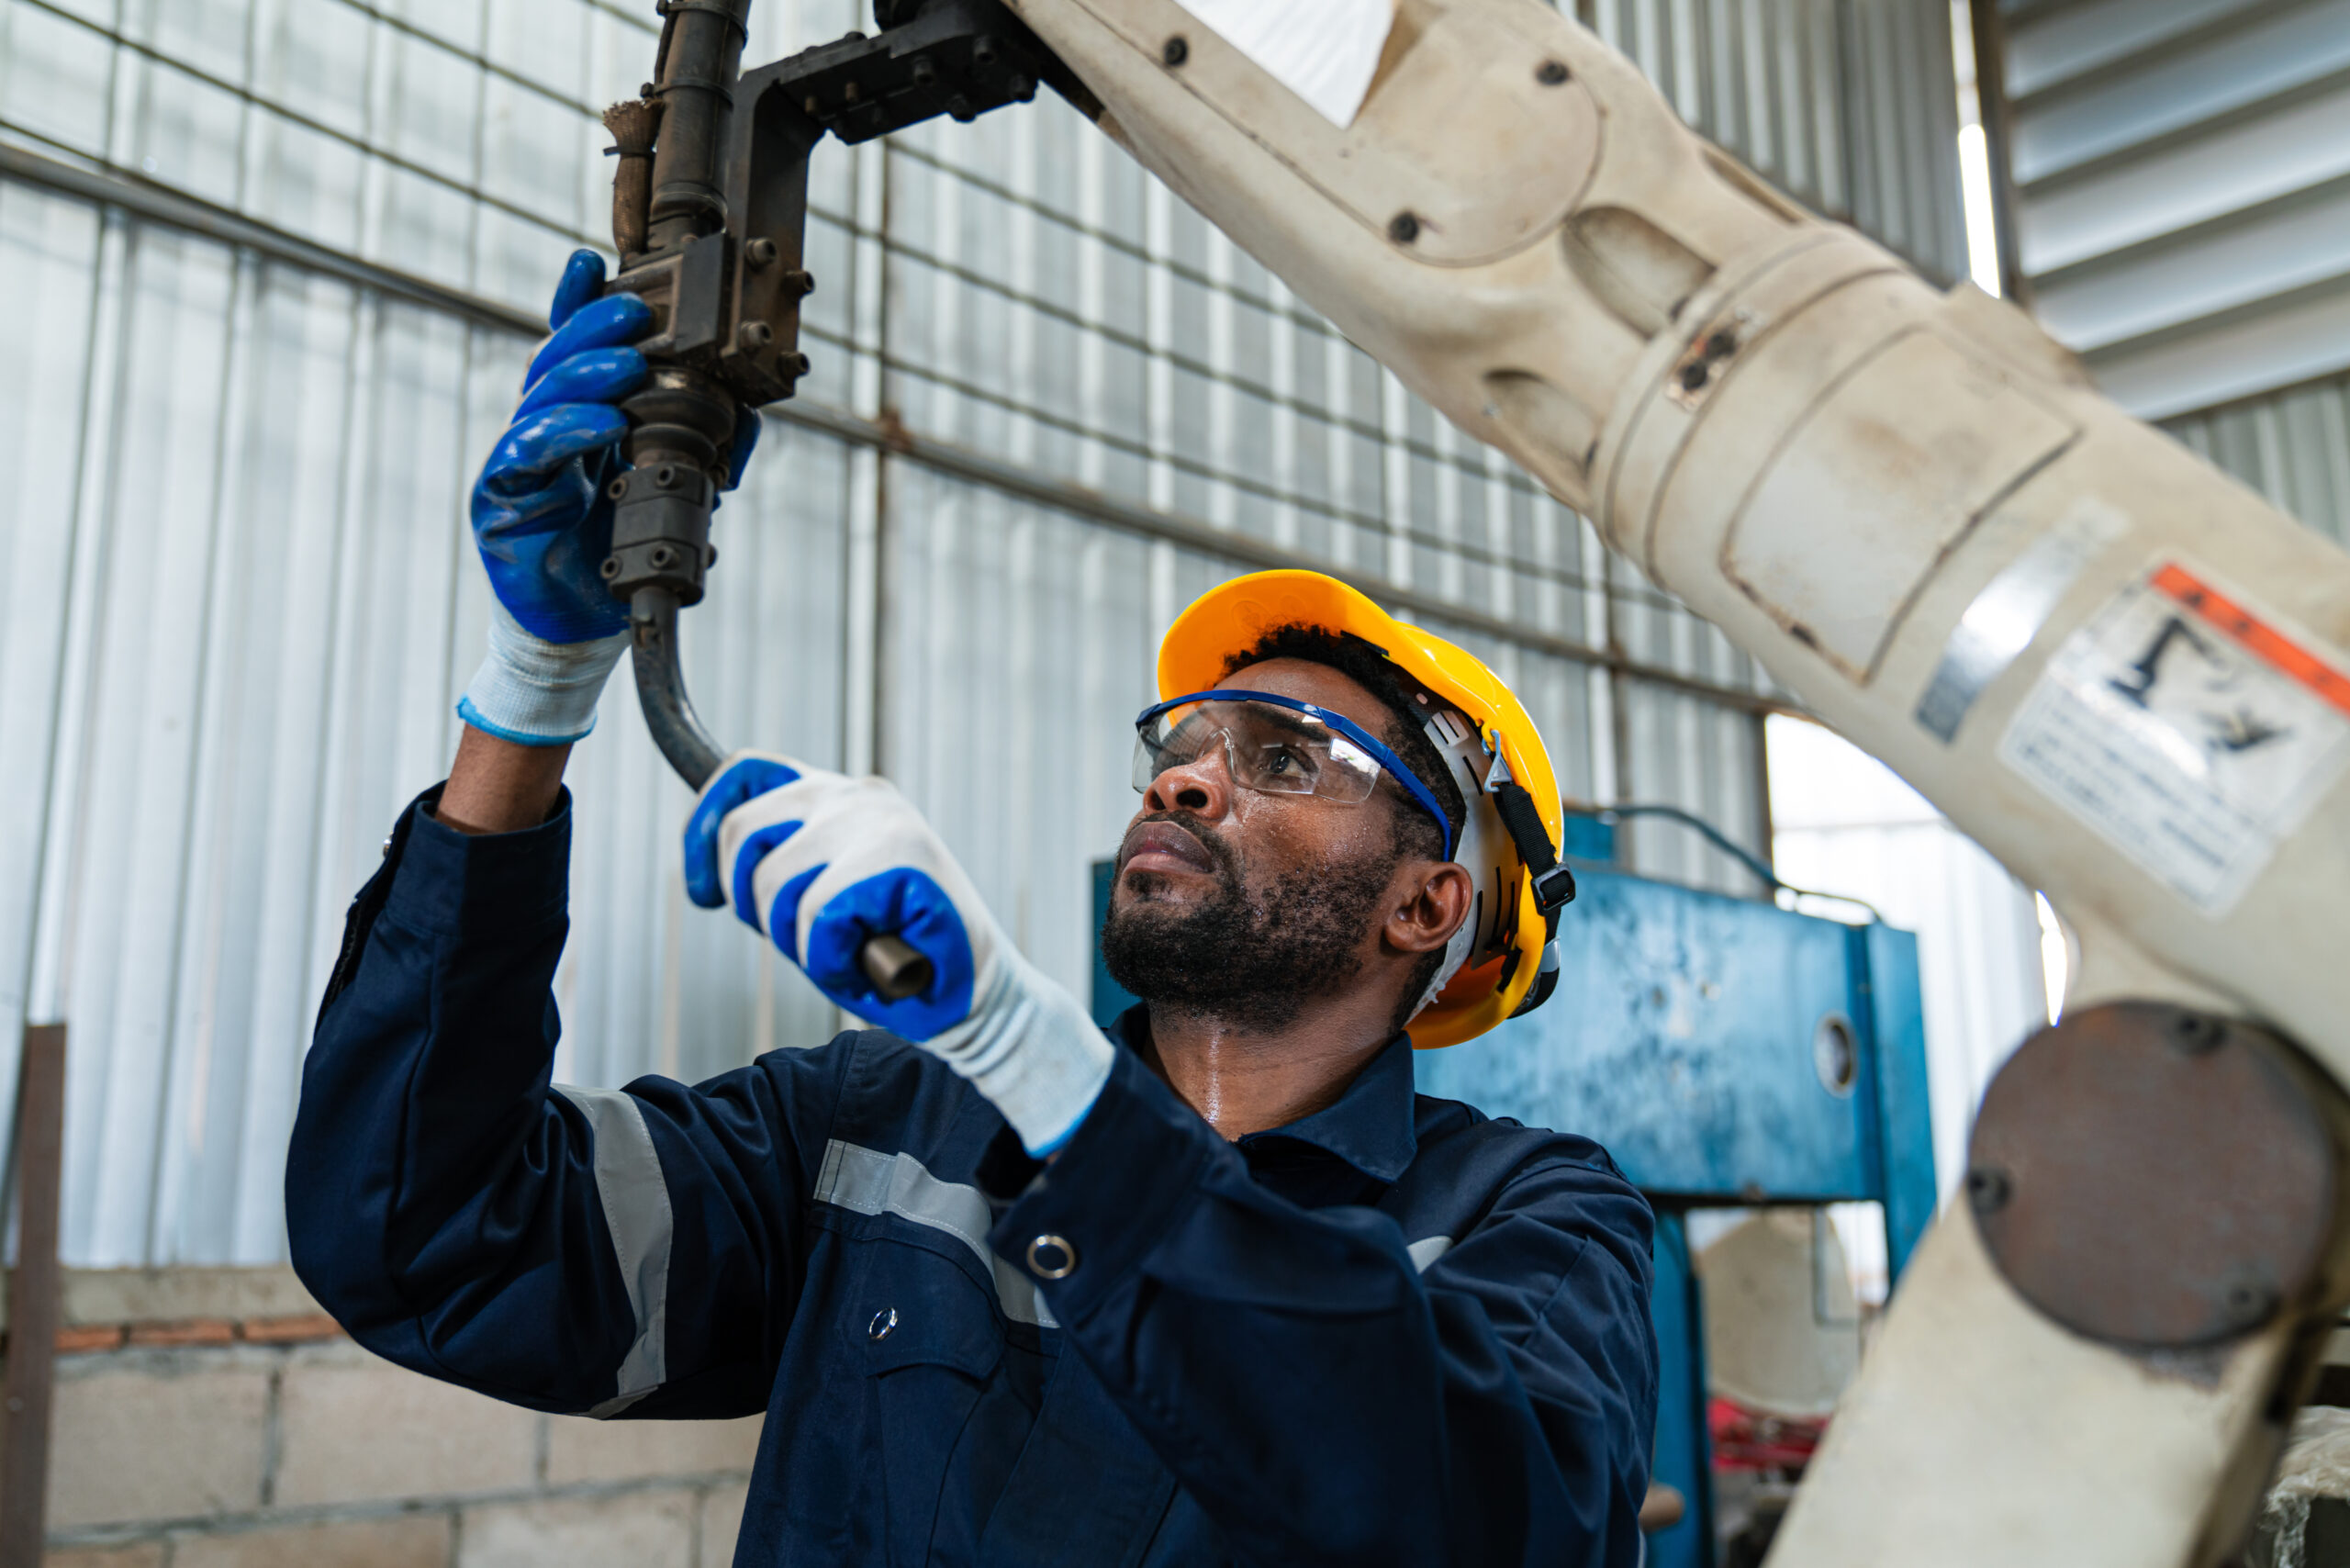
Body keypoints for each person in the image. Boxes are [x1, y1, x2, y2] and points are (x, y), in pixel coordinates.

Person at [286, 252, 1658, 1568]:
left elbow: (1498, 1524)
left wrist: (1032, 1057)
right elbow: (428, 1241)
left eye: (1286, 759)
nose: (1185, 780)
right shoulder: (872, 1130)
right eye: (1180, 743)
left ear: (1428, 906)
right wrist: (533, 690)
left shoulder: (1523, 1215)